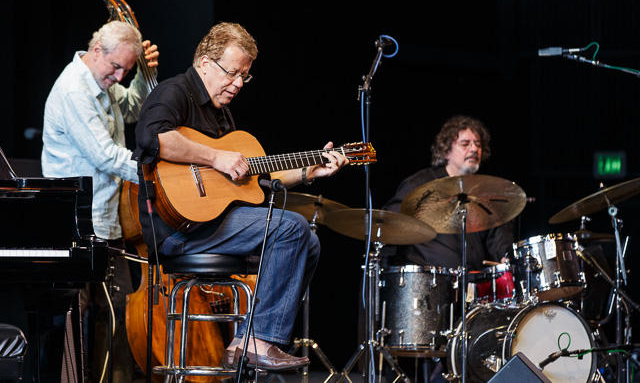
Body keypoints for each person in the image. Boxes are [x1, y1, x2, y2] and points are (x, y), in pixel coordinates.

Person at [132, 22, 349, 371]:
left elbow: (254, 181)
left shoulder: (222, 115)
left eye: (244, 77)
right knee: (291, 227)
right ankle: (255, 339)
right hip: (177, 231)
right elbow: (153, 140)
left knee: (309, 241)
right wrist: (215, 157)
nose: (237, 84)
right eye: (231, 73)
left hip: (212, 223)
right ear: (205, 62)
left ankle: (252, 340)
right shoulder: (173, 92)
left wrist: (309, 171)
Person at [41, 20, 159, 382]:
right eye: (117, 68)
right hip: (76, 224)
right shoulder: (76, 90)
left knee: (117, 318)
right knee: (74, 325)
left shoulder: (101, 81)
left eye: (127, 69)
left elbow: (134, 107)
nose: (120, 77)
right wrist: (155, 174)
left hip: (108, 222)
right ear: (96, 51)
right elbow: (106, 156)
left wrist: (145, 74)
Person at [383, 115, 514, 270]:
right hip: (425, 283)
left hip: (473, 285)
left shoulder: (484, 191)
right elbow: (387, 225)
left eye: (478, 144)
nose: (474, 149)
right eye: (465, 144)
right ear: (446, 151)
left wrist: (506, 257)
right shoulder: (420, 185)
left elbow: (498, 240)